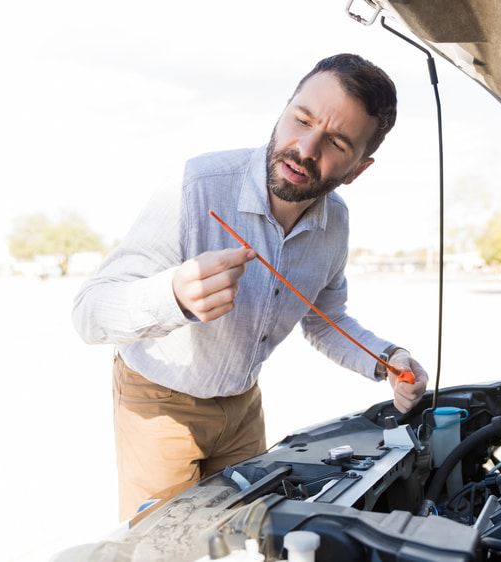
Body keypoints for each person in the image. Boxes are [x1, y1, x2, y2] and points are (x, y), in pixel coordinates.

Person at [72, 53, 429, 521]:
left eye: (337, 143)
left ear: (359, 168)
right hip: (158, 401)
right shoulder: (194, 185)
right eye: (300, 119)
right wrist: (173, 296)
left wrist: (389, 360)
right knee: (164, 548)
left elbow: (326, 321)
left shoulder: (335, 222)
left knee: (245, 534)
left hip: (243, 405)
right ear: (284, 109)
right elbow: (90, 313)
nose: (305, 148)